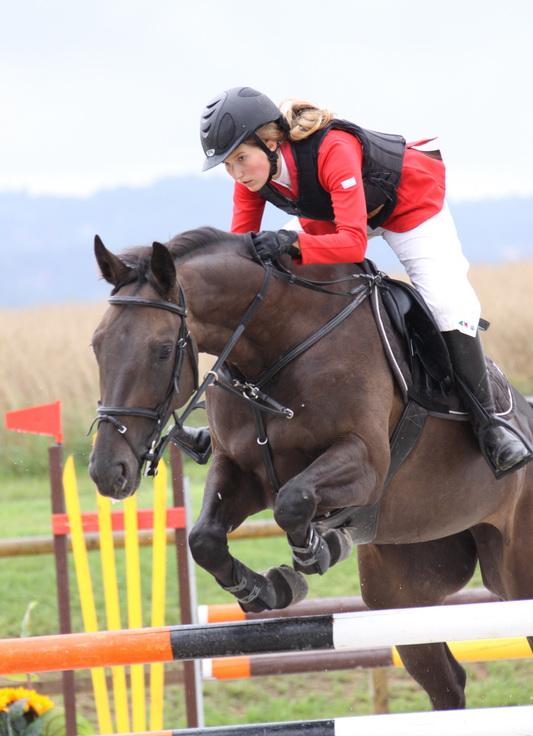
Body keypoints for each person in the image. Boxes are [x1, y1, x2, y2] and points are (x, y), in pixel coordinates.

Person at [196, 85, 531, 477]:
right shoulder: (252, 178)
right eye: (228, 165)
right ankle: (223, 423)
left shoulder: (333, 149)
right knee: (270, 279)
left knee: (447, 304)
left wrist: (290, 244)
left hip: (408, 207)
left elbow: (353, 244)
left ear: (270, 144)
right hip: (337, 218)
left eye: (241, 158)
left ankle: (490, 425)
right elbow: (242, 257)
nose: (236, 173)